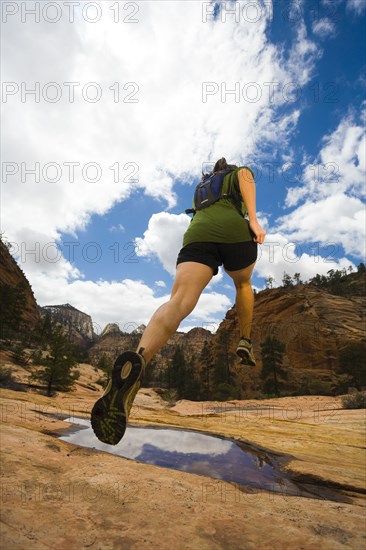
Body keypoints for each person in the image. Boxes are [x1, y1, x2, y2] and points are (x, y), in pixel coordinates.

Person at [91, 157, 266, 445]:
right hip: (234, 231)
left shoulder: (202, 188)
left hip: (198, 234)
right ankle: (245, 340)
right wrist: (254, 221)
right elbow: (246, 174)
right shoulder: (234, 175)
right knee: (243, 283)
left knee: (179, 301)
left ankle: (139, 360)